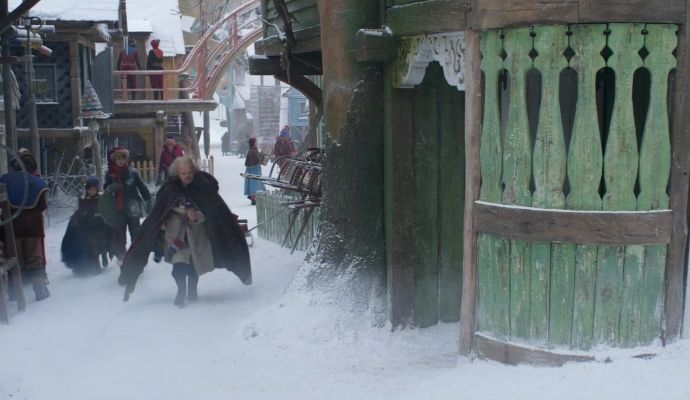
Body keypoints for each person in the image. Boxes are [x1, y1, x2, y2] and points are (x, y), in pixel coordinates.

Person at [118, 156, 252, 306]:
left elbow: (213, 212)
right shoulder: (169, 189)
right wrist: (160, 223)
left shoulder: (203, 189)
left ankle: (192, 288)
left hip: (197, 236)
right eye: (183, 173)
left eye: (189, 172)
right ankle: (181, 291)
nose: (187, 176)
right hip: (176, 236)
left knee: (193, 265)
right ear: (177, 174)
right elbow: (160, 211)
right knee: (179, 266)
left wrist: (197, 215)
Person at [0, 150, 50, 300]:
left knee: (15, 258)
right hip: (33, 227)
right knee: (34, 258)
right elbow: (42, 206)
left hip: (12, 227)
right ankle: (39, 290)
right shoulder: (37, 183)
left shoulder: (5, 180)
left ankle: (15, 292)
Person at [102, 147, 152, 261]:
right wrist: (111, 188)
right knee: (119, 235)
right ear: (114, 160)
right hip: (117, 209)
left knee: (135, 233)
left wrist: (148, 200)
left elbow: (142, 187)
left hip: (133, 207)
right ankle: (122, 258)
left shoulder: (133, 172)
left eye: (123, 158)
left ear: (126, 159)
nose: (120, 161)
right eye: (118, 158)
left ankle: (136, 258)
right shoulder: (110, 174)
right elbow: (106, 190)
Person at [61, 177, 112, 275]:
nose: (91, 191)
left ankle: (100, 260)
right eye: (89, 189)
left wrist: (101, 217)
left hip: (99, 229)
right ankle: (84, 266)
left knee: (96, 247)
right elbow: (80, 212)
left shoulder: (101, 199)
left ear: (97, 189)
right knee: (87, 247)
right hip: (86, 228)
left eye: (93, 189)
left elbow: (106, 212)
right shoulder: (83, 200)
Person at [244, 138, 266, 205]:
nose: (257, 143)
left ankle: (253, 197)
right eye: (255, 142)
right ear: (253, 143)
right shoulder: (251, 151)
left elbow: (258, 158)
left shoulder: (254, 149)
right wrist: (261, 158)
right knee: (254, 184)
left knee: (257, 183)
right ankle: (253, 198)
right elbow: (256, 159)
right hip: (253, 170)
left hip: (256, 169)